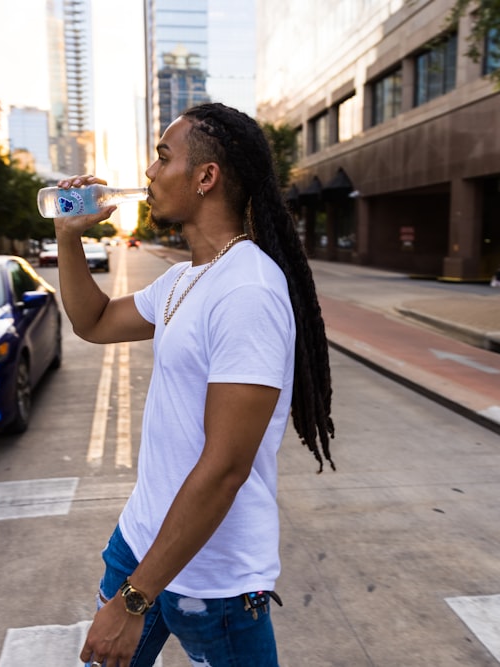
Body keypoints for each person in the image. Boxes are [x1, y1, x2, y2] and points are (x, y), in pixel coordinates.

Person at [53, 102, 335, 667]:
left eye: (163, 157)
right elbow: (95, 321)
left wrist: (134, 601)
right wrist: (68, 237)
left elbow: (225, 467)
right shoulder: (185, 278)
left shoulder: (248, 290)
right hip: (140, 543)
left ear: (206, 177)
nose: (150, 173)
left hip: (214, 578)